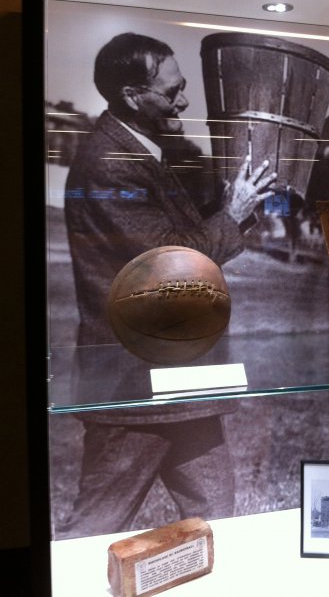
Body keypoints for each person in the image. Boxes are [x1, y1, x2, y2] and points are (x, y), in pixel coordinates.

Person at [59, 32, 276, 538]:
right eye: (172, 90)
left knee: (217, 517)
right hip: (135, 384)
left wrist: (236, 211)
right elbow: (170, 263)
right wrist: (232, 213)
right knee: (94, 528)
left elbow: (177, 238)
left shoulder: (140, 152)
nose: (184, 100)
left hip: (178, 378)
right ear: (132, 96)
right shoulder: (109, 163)